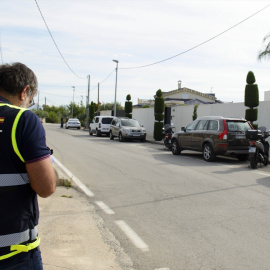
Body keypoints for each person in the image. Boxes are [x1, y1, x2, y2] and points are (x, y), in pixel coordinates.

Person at [0, 62, 58, 269]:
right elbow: (46, 187)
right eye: (31, 101)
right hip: (14, 256)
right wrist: (51, 169)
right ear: (25, 92)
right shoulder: (22, 120)